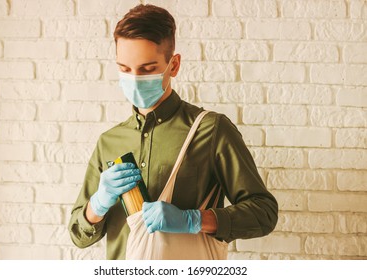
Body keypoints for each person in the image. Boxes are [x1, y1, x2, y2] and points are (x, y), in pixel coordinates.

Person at [68, 4, 278, 260]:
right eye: (124, 69)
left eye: (147, 69)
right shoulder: (109, 142)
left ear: (174, 65)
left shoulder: (210, 130)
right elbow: (78, 236)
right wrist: (98, 204)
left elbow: (264, 213)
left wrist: (195, 220)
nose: (134, 79)